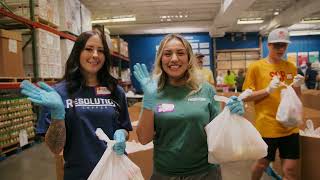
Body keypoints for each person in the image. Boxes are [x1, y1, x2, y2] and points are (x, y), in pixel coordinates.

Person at [20, 30, 132, 180]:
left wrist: (122, 135)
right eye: (88, 49)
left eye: (100, 51)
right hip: (79, 175)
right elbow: (55, 147)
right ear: (77, 52)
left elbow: (124, 127)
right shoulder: (58, 94)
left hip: (115, 172)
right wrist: (58, 116)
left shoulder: (116, 91)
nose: (95, 55)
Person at [132, 34, 245, 180]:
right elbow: (143, 139)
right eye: (167, 54)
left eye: (180, 53)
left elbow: (220, 134)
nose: (174, 59)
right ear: (161, 58)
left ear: (189, 58)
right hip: (165, 174)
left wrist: (232, 116)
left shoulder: (205, 89)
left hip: (205, 173)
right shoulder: (153, 91)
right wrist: (148, 99)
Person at [242, 28, 304, 180]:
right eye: (277, 45)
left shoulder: (290, 67)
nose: (281, 49)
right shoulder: (256, 67)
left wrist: (297, 85)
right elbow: (245, 97)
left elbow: (297, 98)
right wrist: (267, 90)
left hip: (290, 126)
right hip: (267, 126)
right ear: (268, 45)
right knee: (262, 164)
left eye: (284, 45)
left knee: (290, 171)